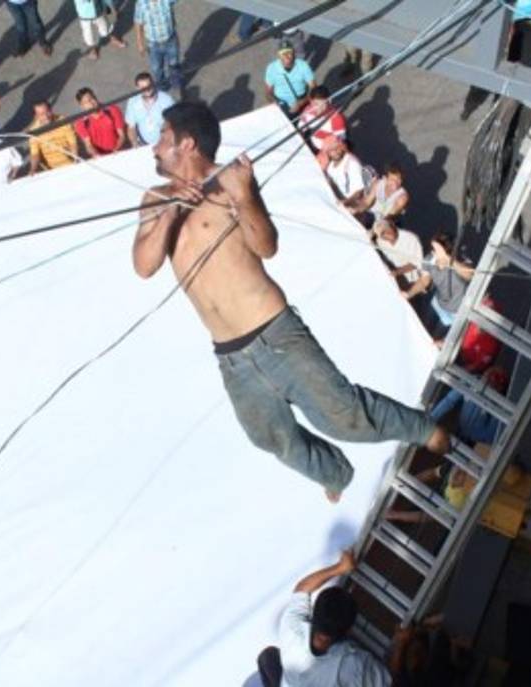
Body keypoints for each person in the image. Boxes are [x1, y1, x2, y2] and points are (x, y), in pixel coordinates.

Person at [133, 102, 447, 500]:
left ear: (188, 144)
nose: (153, 147)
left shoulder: (232, 184)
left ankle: (424, 430)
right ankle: (334, 473)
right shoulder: (155, 198)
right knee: (268, 435)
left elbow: (267, 246)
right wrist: (170, 213)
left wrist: (246, 197)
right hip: (229, 352)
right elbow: (144, 265)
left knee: (343, 415)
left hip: (273, 330)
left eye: (162, 138)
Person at [256, 550, 389, 687]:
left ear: (314, 613)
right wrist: (402, 643)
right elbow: (390, 682)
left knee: (268, 657)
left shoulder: (293, 627)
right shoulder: (355, 665)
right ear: (348, 630)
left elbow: (302, 588)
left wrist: (340, 567)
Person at [405, 233, 472, 343]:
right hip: (437, 304)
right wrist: (408, 294)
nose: (432, 252)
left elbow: (469, 275)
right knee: (422, 329)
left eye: (436, 250)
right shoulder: (430, 259)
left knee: (433, 340)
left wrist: (449, 260)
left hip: (453, 313)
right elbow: (424, 281)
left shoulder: (461, 260)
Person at [133, 0, 180, 92]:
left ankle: (176, 83)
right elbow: (138, 23)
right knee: (157, 69)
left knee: (174, 64)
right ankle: (162, 89)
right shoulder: (141, 3)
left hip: (170, 40)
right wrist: (140, 43)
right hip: (153, 45)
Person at [345, 163, 408, 231]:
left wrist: (373, 232)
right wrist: (356, 209)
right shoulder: (377, 184)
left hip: (390, 221)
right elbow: (366, 203)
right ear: (384, 178)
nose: (396, 183)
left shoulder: (402, 197)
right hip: (373, 215)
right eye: (392, 179)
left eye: (398, 179)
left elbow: (388, 218)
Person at [264, 40, 314, 118]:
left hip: (302, 100)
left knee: (306, 125)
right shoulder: (271, 68)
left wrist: (301, 103)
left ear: (294, 53)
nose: (286, 56)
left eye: (289, 52)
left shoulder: (303, 65)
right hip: (282, 103)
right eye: (282, 53)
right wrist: (274, 103)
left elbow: (313, 88)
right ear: (278, 55)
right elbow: (268, 92)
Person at [27, 99, 79, 175]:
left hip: (71, 164)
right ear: (36, 116)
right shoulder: (34, 132)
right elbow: (35, 154)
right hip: (52, 171)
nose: (46, 116)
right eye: (41, 114)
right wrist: (33, 169)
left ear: (51, 110)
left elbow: (73, 143)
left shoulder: (63, 120)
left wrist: (75, 159)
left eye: (47, 112)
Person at [124, 71, 173, 147]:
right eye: (143, 88)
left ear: (153, 84)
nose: (147, 90)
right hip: (143, 144)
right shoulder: (132, 102)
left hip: (164, 144)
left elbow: (174, 124)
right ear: (137, 88)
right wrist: (135, 144)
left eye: (149, 86)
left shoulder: (167, 100)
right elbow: (131, 127)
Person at [73, 87, 125, 157]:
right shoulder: (80, 122)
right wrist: (97, 155)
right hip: (99, 156)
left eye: (91, 99)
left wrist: (116, 150)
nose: (90, 103)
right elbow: (88, 145)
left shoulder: (112, 110)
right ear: (82, 106)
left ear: (95, 97)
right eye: (86, 103)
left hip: (118, 151)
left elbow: (121, 135)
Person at [297, 86, 346, 152]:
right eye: (315, 104)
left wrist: (327, 151)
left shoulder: (336, 118)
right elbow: (301, 126)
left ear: (329, 101)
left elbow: (341, 139)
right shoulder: (308, 109)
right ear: (311, 101)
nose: (318, 108)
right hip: (312, 145)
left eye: (322, 104)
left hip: (328, 151)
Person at [318, 137, 368, 203]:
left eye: (337, 147)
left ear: (342, 147)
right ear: (327, 153)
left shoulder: (352, 163)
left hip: (356, 203)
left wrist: (345, 202)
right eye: (331, 150)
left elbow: (359, 193)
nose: (335, 151)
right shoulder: (330, 167)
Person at [375, 221, 423, 286]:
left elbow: (415, 263)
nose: (386, 234)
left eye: (387, 229)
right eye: (382, 234)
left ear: (392, 226)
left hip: (417, 278)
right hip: (396, 278)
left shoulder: (410, 238)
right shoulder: (380, 242)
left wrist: (396, 273)